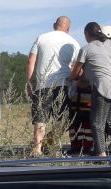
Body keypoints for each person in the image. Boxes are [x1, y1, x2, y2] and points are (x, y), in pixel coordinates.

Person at [71, 22, 111, 157]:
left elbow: (74, 74)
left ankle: (101, 153)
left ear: (87, 34)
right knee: (110, 120)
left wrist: (80, 75)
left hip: (103, 88)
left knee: (96, 122)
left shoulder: (86, 49)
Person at [26, 16, 80, 156]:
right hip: (63, 85)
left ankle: (37, 149)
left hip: (42, 85)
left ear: (54, 25)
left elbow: (31, 61)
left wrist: (30, 82)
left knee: (40, 119)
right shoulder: (73, 42)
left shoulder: (41, 38)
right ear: (68, 28)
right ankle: (50, 145)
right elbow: (77, 67)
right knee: (61, 120)